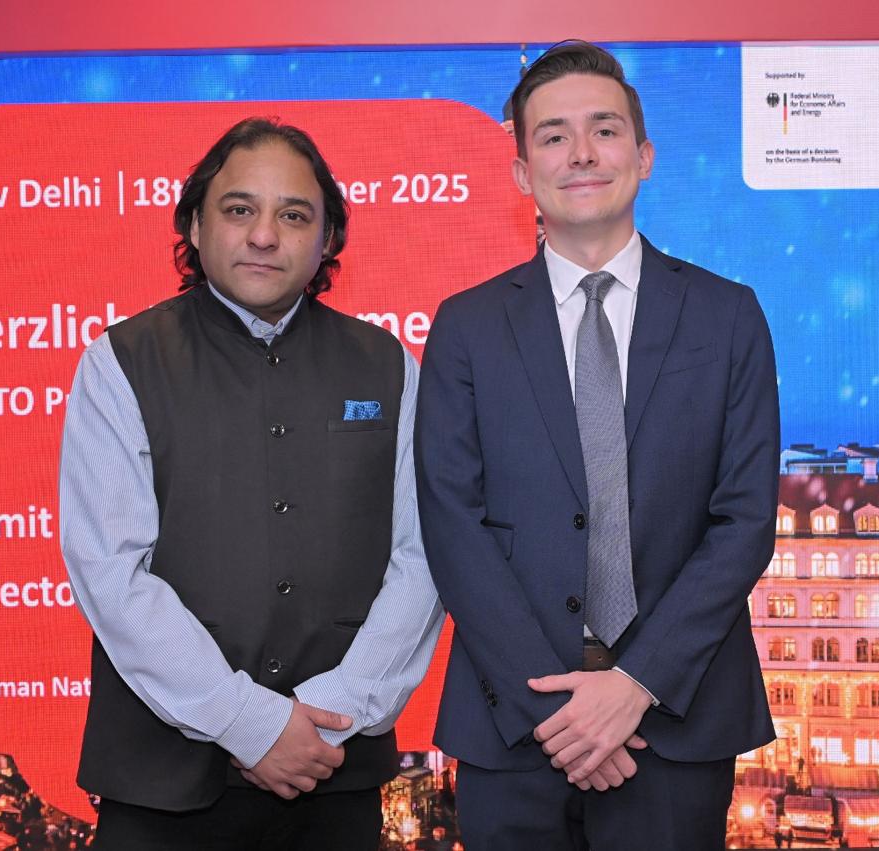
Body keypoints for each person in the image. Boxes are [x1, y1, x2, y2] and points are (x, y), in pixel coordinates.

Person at [416, 41, 779, 850]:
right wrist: (561, 712)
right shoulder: (466, 327)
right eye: (553, 135)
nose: (581, 153)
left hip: (676, 717)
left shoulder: (727, 316)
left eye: (604, 130)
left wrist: (635, 683)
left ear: (644, 156)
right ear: (522, 172)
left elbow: (745, 521)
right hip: (514, 722)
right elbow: (452, 525)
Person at [59, 117, 444, 850]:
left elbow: (424, 557)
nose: (264, 235)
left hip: (332, 769)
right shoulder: (120, 362)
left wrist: (333, 711)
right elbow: (110, 570)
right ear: (194, 226)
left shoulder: (389, 365)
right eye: (239, 209)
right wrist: (249, 721)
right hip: (161, 788)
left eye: (293, 215)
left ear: (328, 238)